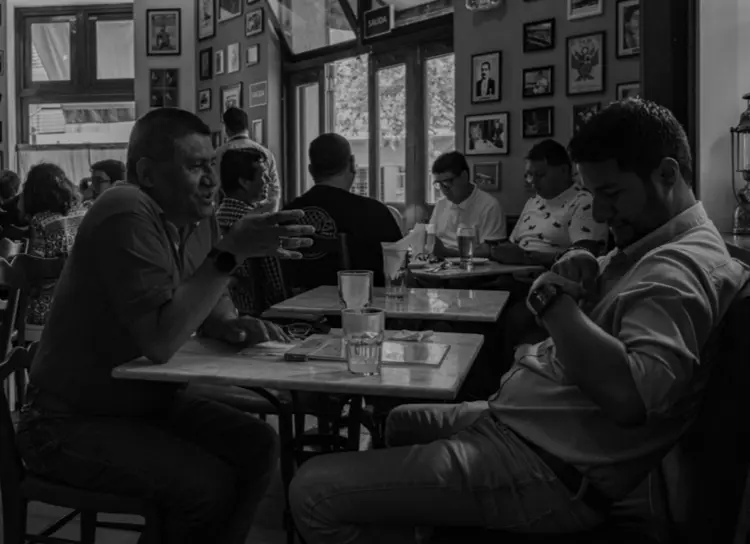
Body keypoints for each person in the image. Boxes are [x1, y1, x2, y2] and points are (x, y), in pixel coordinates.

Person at [288, 99, 750, 543]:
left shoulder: (679, 268)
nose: (603, 214)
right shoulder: (651, 246)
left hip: (544, 467)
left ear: (667, 174)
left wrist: (550, 295)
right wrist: (581, 260)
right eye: (594, 196)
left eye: (610, 194)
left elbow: (631, 398)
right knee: (402, 421)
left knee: (311, 490)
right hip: (521, 424)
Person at [16, 107, 315, 544]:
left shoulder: (195, 220)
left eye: (212, 164)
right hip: (63, 424)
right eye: (196, 166)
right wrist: (231, 253)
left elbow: (213, 312)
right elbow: (159, 341)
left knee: (256, 445)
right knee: (205, 487)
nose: (212, 179)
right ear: (147, 173)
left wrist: (235, 325)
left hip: (139, 405)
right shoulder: (125, 209)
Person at [283, 133, 402, 288]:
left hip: (294, 308)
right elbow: (397, 267)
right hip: (363, 307)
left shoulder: (287, 213)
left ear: (311, 170)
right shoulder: (375, 212)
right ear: (352, 163)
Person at [492, 139, 608, 268]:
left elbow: (582, 257)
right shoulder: (533, 201)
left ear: (564, 171)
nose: (533, 182)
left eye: (540, 175)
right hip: (511, 272)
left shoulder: (583, 202)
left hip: (549, 276)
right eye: (530, 175)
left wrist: (527, 257)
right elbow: (513, 244)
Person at [216, 148, 286, 315]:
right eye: (263, 175)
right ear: (244, 182)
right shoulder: (259, 225)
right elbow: (276, 286)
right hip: (262, 316)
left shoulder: (212, 222)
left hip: (221, 313)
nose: (268, 180)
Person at [21, 163, 88, 326]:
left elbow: (33, 269)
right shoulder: (84, 214)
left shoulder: (40, 221)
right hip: (83, 304)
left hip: (48, 310)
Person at [429, 151, 505, 258]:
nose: (443, 189)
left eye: (447, 183)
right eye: (439, 184)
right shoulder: (441, 204)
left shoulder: (489, 206)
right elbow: (431, 240)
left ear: (464, 176)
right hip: (438, 266)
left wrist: (449, 253)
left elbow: (491, 252)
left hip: (473, 269)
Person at [216, 107, 280, 213]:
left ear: (226, 128)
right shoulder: (266, 153)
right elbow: (274, 192)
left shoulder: (218, 154)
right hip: (261, 214)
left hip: (226, 212)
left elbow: (214, 189)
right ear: (247, 126)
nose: (266, 180)